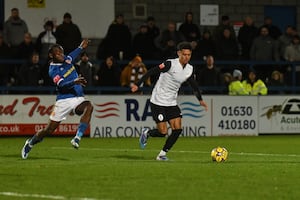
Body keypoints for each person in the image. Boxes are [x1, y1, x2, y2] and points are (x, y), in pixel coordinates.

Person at [130, 42, 208, 161]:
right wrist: (138, 84)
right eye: (184, 54)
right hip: (158, 101)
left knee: (177, 129)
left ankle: (162, 154)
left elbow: (193, 84)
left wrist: (200, 100)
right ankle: (147, 133)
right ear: (179, 53)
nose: (186, 57)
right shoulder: (170, 64)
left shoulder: (189, 69)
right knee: (163, 132)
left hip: (171, 102)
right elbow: (152, 71)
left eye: (189, 55)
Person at [21, 39, 93, 159]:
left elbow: (73, 54)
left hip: (77, 97)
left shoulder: (67, 60)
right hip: (63, 100)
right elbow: (61, 85)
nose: (61, 55)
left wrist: (81, 47)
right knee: (49, 130)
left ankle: (77, 137)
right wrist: (74, 81)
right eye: (58, 53)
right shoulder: (53, 70)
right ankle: (31, 142)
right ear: (51, 55)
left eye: (62, 53)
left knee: (89, 106)